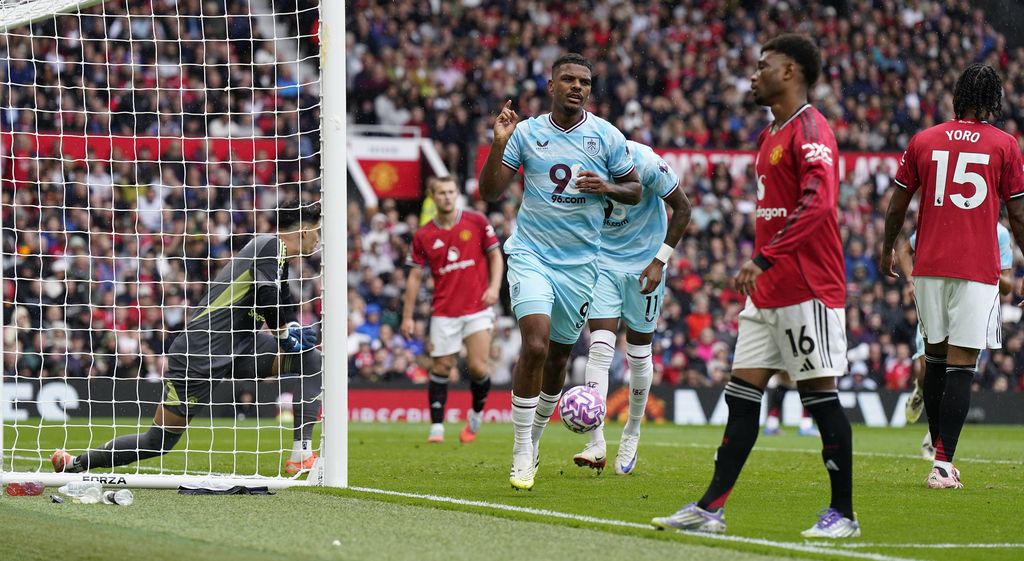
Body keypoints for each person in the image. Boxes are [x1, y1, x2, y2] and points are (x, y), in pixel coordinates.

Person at [652, 34, 858, 538]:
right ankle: (711, 509)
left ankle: (844, 516)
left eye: (763, 66)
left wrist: (764, 257)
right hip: (767, 291)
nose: (753, 74)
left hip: (807, 287)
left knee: (818, 395)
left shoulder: (812, 129)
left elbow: (819, 203)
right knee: (741, 392)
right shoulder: (770, 134)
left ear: (790, 72)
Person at [53, 203, 323, 475]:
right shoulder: (269, 246)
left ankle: (301, 453)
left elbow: (282, 306)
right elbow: (267, 299)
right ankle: (76, 463)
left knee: (311, 359)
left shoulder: (280, 262)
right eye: (317, 232)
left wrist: (293, 329)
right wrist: (284, 335)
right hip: (201, 351)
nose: (318, 239)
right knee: (157, 442)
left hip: (241, 346)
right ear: (303, 231)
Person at [478, 53, 642, 491]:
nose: (577, 86)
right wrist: (498, 143)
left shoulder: (605, 136)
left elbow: (635, 189)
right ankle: (519, 451)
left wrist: (606, 186)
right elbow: (490, 191)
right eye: (567, 79)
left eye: (584, 81)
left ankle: (534, 439)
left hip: (581, 266)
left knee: (558, 357)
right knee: (534, 343)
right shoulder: (527, 133)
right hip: (532, 254)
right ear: (551, 86)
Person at [882, 63, 1024, 489]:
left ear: (957, 97)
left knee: (937, 360)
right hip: (976, 270)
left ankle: (938, 455)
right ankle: (942, 464)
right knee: (962, 365)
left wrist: (888, 246)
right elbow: (1016, 214)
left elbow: (897, 206)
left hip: (928, 265)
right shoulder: (1005, 145)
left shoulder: (924, 140)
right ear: (992, 100)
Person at [574, 140, 691, 475]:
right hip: (603, 265)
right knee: (599, 349)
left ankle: (632, 431)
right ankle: (596, 442)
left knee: (639, 353)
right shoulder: (582, 162)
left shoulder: (648, 163)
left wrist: (659, 262)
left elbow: (683, 209)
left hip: (645, 266)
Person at [898, 223, 1013, 460]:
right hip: (937, 300)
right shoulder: (946, 217)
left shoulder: (999, 233)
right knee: (927, 370)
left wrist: (982, 268)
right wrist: (911, 280)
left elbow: (1009, 285)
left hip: (972, 308)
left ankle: (937, 440)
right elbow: (905, 249)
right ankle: (921, 390)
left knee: (956, 375)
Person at [402, 176, 504, 444]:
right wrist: (407, 316)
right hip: (444, 311)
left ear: (457, 194)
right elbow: (414, 277)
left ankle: (476, 413)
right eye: (441, 193)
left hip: (477, 307)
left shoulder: (477, 221)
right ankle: (437, 427)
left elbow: (495, 256)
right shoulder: (424, 235)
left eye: (451, 192)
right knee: (442, 366)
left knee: (478, 367)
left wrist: (494, 288)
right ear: (432, 197)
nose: (447, 196)